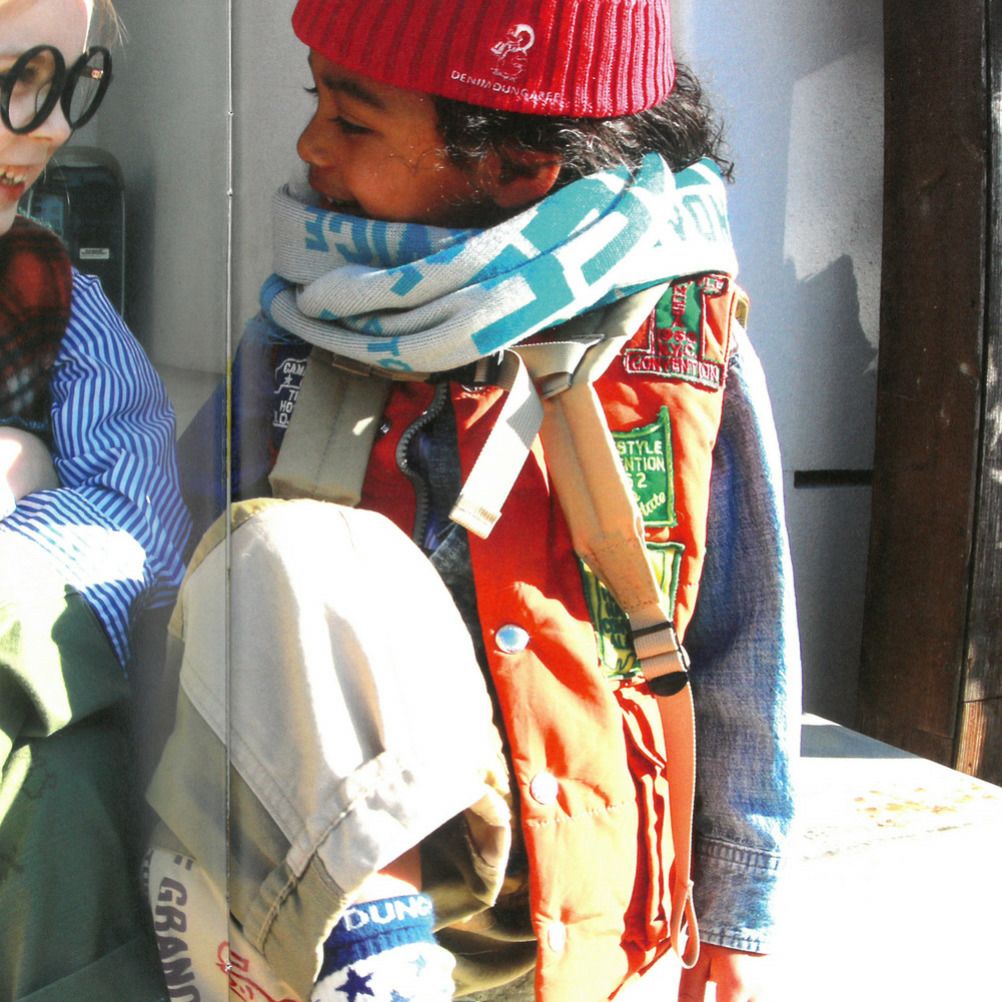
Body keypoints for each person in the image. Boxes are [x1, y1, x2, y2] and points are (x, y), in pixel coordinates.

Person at [144, 1, 801, 1000]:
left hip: (559, 895)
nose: (310, 143)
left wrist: (738, 906)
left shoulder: (676, 341)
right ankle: (379, 964)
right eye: (314, 98)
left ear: (519, 165)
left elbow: (745, 638)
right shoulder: (306, 326)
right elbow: (183, 576)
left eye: (351, 119)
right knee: (284, 556)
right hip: (318, 893)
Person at [0, 0, 191, 997]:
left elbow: (140, 526)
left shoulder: (52, 295)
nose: (52, 127)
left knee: (71, 772)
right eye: (15, 79)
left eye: (69, 85)